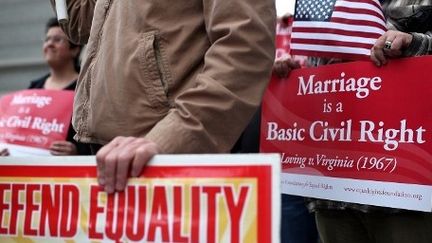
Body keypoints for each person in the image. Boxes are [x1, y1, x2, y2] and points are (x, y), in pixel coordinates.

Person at [50, 1, 276, 193]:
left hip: (165, 155)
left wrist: (171, 139)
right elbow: (79, 25)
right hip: (112, 152)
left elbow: (245, 47)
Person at [307, 1, 432, 243]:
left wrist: (415, 43)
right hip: (331, 191)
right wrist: (292, 75)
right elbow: (315, 68)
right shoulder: (326, 5)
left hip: (407, 192)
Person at [1, 17, 90, 156]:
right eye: (47, 39)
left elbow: (97, 135)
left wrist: (78, 152)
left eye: (57, 40)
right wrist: (7, 149)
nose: (49, 44)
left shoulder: (86, 89)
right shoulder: (34, 88)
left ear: (75, 50)